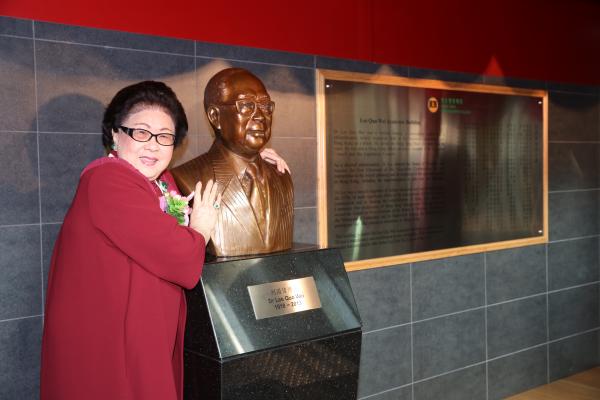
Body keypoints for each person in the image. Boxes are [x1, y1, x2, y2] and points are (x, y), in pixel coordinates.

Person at [40, 81, 288, 400]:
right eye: (141, 132)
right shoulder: (107, 180)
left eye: (165, 137)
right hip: (112, 344)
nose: (153, 146)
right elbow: (182, 262)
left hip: (144, 335)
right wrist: (198, 229)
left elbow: (200, 184)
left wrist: (253, 158)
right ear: (115, 134)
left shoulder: (160, 182)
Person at [171, 68, 294, 257]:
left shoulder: (281, 176)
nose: (260, 116)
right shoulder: (188, 178)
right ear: (215, 117)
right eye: (246, 106)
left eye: (265, 106)